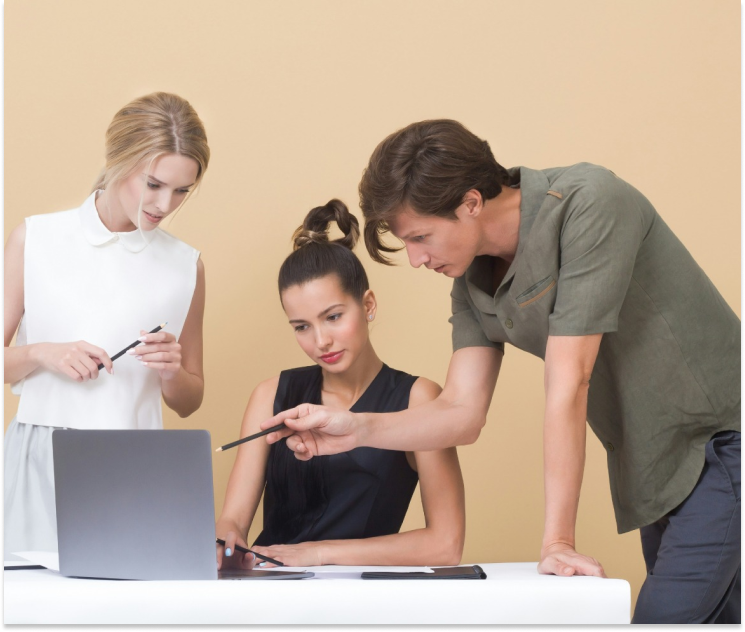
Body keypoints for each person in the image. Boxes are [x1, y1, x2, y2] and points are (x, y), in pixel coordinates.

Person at [262, 120, 740, 624]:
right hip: (658, 471)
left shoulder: (589, 203)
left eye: (421, 237)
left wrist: (557, 542)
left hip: (719, 443)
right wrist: (355, 429)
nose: (418, 259)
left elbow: (568, 380)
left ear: (470, 203)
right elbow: (461, 412)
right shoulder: (471, 275)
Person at [4, 92, 210, 554]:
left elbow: (190, 401)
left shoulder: (185, 266)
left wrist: (172, 371)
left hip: (136, 466)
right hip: (39, 457)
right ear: (119, 161)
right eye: (153, 184)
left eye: (182, 191)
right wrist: (41, 352)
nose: (165, 204)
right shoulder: (36, 239)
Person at [216, 199, 465, 570]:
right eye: (301, 327)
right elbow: (233, 521)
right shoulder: (270, 396)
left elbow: (445, 545)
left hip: (358, 596)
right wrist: (226, 540)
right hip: (269, 589)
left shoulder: (418, 399)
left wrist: (317, 554)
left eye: (333, 317)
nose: (321, 341)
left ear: (368, 305)